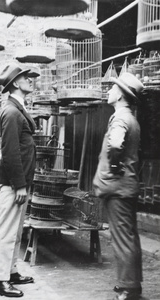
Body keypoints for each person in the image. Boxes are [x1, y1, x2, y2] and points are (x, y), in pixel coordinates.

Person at [93, 72, 144, 300]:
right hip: (125, 187)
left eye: (113, 88)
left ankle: (129, 288)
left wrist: (113, 167)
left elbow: (115, 143)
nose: (109, 91)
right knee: (129, 236)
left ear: (122, 96)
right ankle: (130, 282)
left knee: (123, 237)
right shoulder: (129, 116)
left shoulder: (121, 117)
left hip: (119, 188)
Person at [0, 63, 36, 297]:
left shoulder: (17, 109)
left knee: (15, 232)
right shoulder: (11, 111)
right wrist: (19, 184)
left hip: (19, 182)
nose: (31, 80)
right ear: (16, 83)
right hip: (12, 183)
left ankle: (11, 271)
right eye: (26, 77)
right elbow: (9, 153)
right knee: (5, 231)